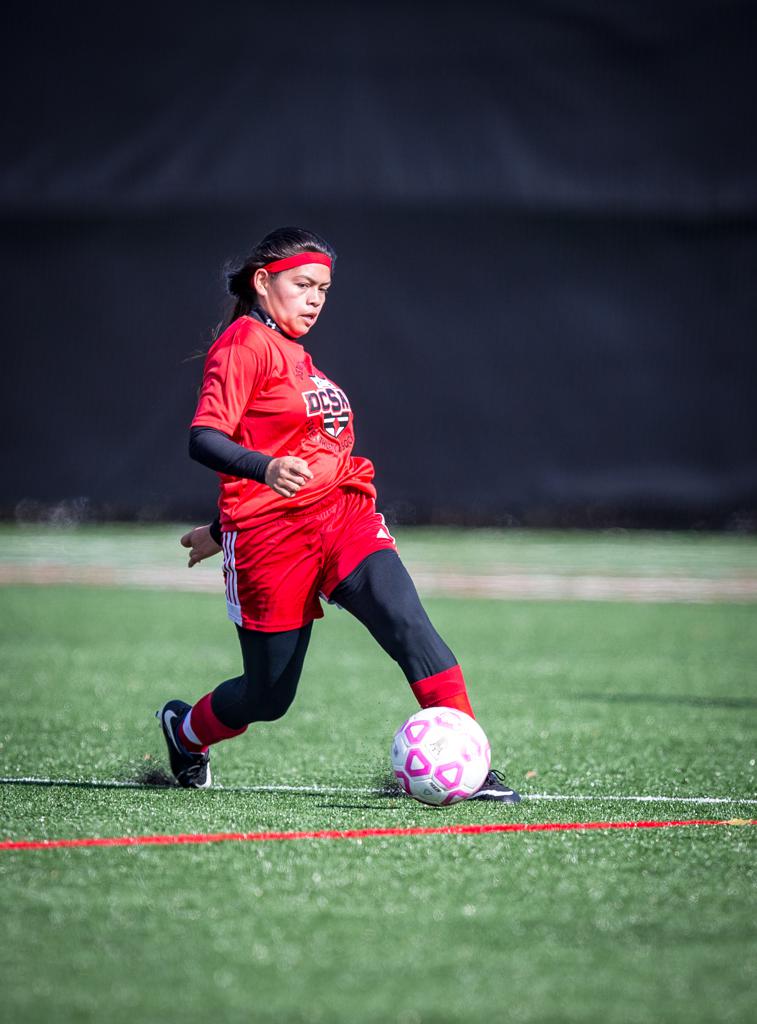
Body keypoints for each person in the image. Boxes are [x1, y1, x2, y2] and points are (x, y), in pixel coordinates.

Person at [157, 226, 519, 803]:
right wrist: (259, 476)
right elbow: (205, 438)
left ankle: (474, 767)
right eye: (303, 284)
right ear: (262, 282)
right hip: (272, 543)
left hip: (343, 516)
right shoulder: (243, 343)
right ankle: (187, 731)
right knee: (267, 696)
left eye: (323, 289)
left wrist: (226, 518)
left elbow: (315, 460)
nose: (315, 299)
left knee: (407, 623)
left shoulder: (299, 356)